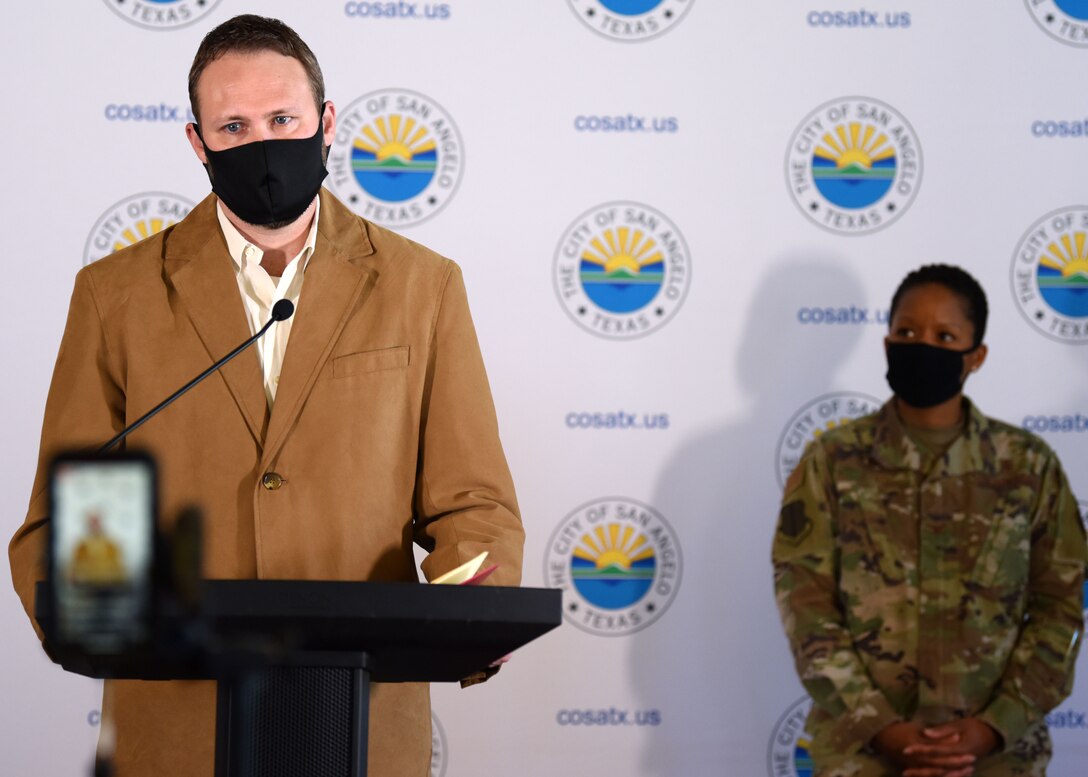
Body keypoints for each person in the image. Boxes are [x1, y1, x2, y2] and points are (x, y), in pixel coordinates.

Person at [8, 14, 524, 777]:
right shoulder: (113, 297)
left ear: (326, 122)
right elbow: (67, 519)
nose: (262, 141)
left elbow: (474, 506)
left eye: (282, 118)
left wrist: (463, 611)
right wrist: (104, 609)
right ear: (197, 143)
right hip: (173, 733)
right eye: (234, 125)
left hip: (362, 727)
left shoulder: (425, 287)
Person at [772, 264, 1085, 777]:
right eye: (908, 332)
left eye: (945, 336)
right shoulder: (832, 460)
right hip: (861, 752)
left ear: (976, 356)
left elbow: (1061, 608)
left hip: (996, 756)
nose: (922, 345)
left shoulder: (1027, 466)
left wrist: (992, 728)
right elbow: (804, 602)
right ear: (887, 342)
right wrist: (880, 727)